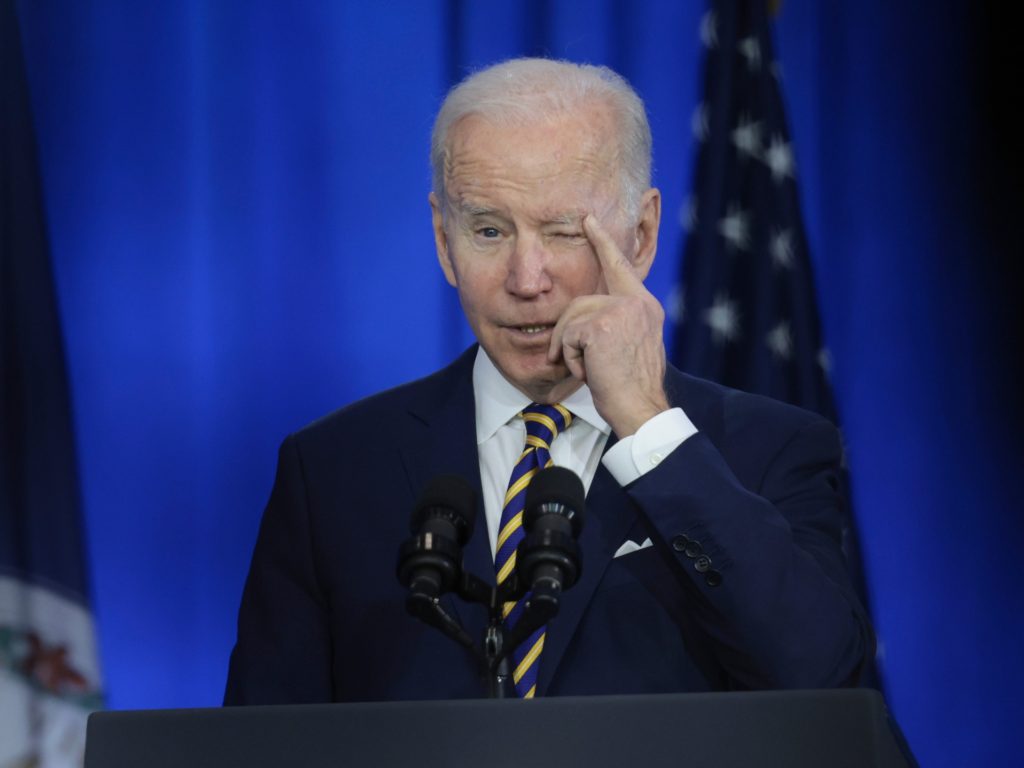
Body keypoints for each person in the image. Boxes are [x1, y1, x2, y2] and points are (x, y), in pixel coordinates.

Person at [224, 58, 872, 704]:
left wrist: (649, 427)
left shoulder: (769, 449)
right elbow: (261, 741)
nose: (526, 279)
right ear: (443, 239)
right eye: (487, 230)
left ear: (642, 235)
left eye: (563, 232)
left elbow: (820, 677)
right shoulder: (332, 471)